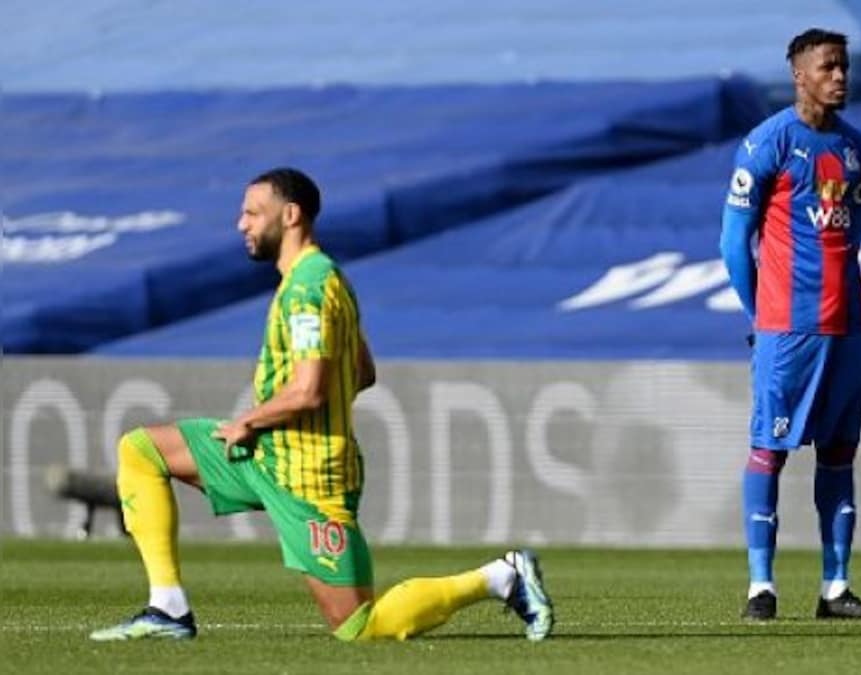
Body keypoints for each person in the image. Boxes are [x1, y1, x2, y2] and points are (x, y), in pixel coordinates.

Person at [90, 168, 553, 642]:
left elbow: (310, 388)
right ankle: (168, 608)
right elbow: (363, 371)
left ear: (290, 215)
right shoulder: (313, 280)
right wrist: (279, 420)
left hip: (309, 478)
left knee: (360, 628)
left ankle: (501, 577)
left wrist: (254, 418)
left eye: (252, 212)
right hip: (268, 455)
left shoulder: (310, 285)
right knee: (141, 450)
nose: (240, 224)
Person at [719, 29, 861, 622]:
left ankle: (835, 587)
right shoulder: (769, 143)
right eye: (828, 67)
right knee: (770, 450)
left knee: (840, 454)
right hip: (788, 330)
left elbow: (854, 234)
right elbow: (732, 242)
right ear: (800, 74)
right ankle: (760, 587)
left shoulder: (857, 149)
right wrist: (760, 315)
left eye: (844, 66)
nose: (840, 76)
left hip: (850, 327)